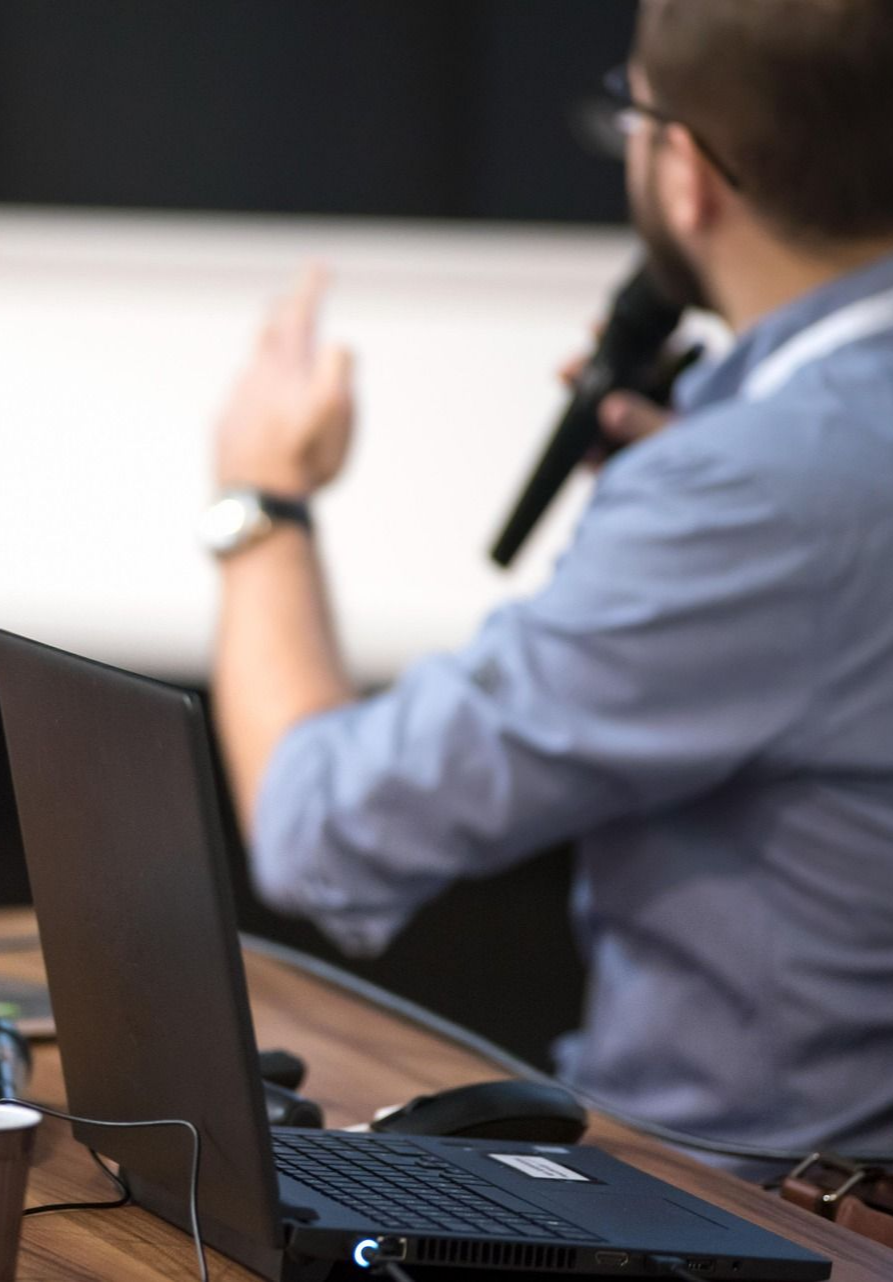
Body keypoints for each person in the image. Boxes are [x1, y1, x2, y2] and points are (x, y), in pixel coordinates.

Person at [208, 0, 893, 1172]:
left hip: (755, 1213)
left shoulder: (747, 494)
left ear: (684, 174)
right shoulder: (770, 459)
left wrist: (261, 504)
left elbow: (321, 824)